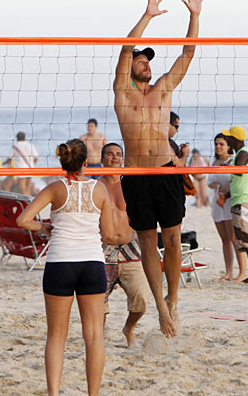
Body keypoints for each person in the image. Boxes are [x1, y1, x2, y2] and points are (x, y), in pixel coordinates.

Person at [113, 0, 204, 337]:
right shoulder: (123, 93)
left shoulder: (164, 88)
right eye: (140, 59)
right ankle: (162, 308)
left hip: (166, 170)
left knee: (174, 236)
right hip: (136, 174)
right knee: (148, 241)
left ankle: (174, 298)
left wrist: (194, 15)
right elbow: (124, 48)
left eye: (148, 59)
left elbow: (189, 52)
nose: (145, 62)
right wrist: (148, 15)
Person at [16, 139, 123, 396]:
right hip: (91, 263)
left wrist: (43, 227)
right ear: (86, 162)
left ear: (63, 162)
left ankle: (54, 393)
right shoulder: (99, 190)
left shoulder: (55, 189)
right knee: (95, 336)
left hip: (61, 263)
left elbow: (23, 220)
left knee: (56, 336)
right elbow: (107, 235)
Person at [98, 143, 151, 347]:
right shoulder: (95, 186)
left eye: (118, 154)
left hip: (131, 248)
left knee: (141, 299)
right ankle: (99, 338)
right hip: (104, 249)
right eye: (110, 154)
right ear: (102, 160)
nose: (114, 158)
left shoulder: (130, 184)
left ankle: (128, 329)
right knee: (98, 301)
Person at [219, 126, 248, 284]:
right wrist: (226, 195)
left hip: (244, 201)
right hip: (242, 199)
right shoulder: (240, 153)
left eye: (228, 138)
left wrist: (226, 167)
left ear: (235, 140)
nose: (227, 140)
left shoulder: (242, 153)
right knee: (246, 237)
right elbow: (239, 181)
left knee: (246, 237)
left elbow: (240, 171)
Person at [207, 133, 247, 281]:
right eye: (216, 144)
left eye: (221, 144)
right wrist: (217, 185)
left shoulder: (234, 160)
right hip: (217, 203)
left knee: (233, 238)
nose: (218, 147)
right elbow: (209, 182)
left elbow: (237, 179)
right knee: (224, 239)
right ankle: (228, 271)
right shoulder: (215, 162)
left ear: (228, 146)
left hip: (229, 201)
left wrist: (225, 187)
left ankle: (242, 272)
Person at [3, 131, 39, 195]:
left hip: (21, 169)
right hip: (30, 169)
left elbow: (10, 158)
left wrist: (4, 163)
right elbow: (36, 158)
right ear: (25, 137)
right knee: (27, 188)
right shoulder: (30, 145)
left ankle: (26, 203)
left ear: (17, 138)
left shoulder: (15, 146)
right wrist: (32, 163)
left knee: (22, 189)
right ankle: (29, 202)